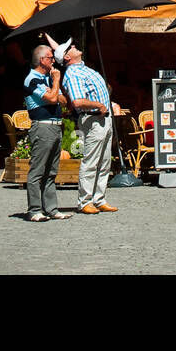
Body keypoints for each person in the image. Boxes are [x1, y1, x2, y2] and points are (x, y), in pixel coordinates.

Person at [58, 38, 119, 215]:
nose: (75, 46)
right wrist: (99, 106)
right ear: (67, 57)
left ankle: (99, 199)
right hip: (93, 120)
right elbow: (77, 101)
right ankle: (85, 201)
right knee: (91, 161)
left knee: (104, 161)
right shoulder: (74, 73)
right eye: (71, 47)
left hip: (103, 119)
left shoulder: (83, 69)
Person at [23, 43, 70, 222]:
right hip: (42, 127)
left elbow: (62, 99)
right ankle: (34, 210)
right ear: (42, 60)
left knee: (51, 170)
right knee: (38, 170)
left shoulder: (46, 79)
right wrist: (56, 81)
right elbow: (52, 98)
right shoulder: (32, 79)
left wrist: (54, 91)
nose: (53, 61)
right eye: (51, 58)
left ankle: (51, 208)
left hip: (55, 126)